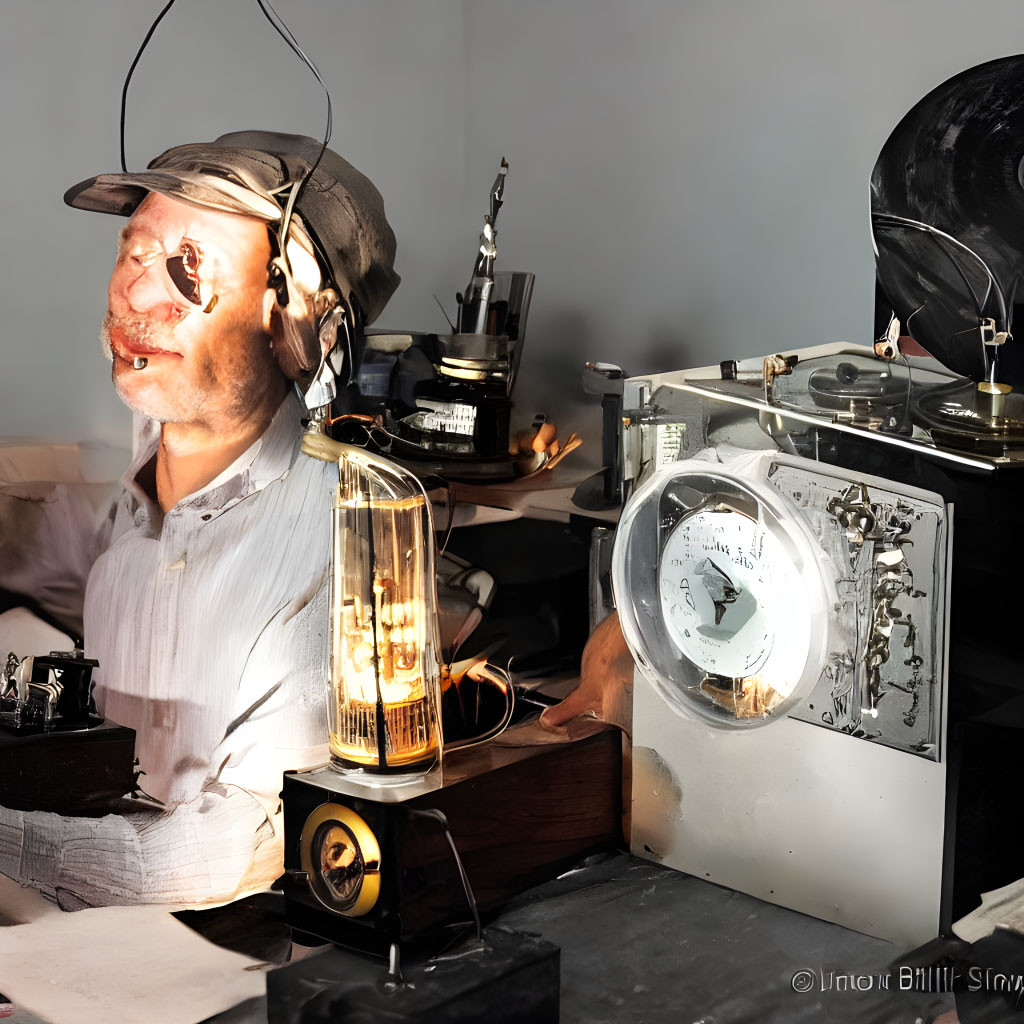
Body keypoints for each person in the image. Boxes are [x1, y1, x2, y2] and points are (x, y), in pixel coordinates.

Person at [0, 131, 400, 908]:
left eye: (192, 266)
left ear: (295, 321)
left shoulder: (340, 539)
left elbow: (239, 849)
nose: (136, 296)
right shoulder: (131, 486)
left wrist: (12, 841)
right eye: (136, 253)